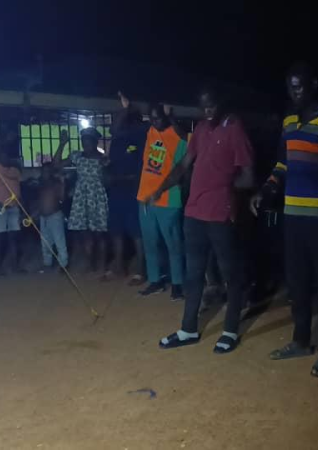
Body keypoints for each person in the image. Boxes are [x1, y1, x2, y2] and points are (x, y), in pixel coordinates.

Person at [250, 62, 318, 377]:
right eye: (290, 87)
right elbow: (282, 165)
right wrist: (266, 189)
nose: (294, 92)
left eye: (299, 86)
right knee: (296, 282)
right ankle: (300, 341)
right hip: (293, 214)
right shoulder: (290, 121)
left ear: (314, 85)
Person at [154, 86, 254, 354]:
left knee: (230, 274)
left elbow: (248, 176)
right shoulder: (200, 129)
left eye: (211, 105)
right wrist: (162, 187)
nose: (207, 110)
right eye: (203, 106)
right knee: (194, 273)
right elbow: (184, 164)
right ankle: (188, 329)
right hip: (194, 212)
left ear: (221, 102)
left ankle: (230, 330)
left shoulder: (234, 129)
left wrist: (224, 187)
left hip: (219, 213)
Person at [135, 102, 188, 300]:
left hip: (169, 198)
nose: (155, 122)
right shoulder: (151, 131)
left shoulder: (178, 135)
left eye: (158, 118)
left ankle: (177, 284)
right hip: (145, 197)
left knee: (174, 245)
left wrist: (171, 116)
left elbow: (186, 137)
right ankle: (155, 280)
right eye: (152, 118)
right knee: (150, 243)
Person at [103, 92, 149, 284]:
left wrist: (126, 108)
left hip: (133, 191)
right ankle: (119, 267)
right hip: (116, 191)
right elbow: (111, 163)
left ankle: (140, 271)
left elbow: (140, 170)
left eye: (121, 117)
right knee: (116, 230)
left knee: (136, 232)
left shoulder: (139, 136)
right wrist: (108, 173)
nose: (115, 123)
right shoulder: (117, 140)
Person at [54, 127, 109, 272]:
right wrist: (62, 144)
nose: (85, 144)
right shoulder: (77, 156)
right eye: (83, 141)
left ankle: (102, 265)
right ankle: (91, 264)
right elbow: (56, 164)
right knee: (85, 234)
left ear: (95, 142)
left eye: (88, 141)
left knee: (100, 234)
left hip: (97, 198)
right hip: (81, 198)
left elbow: (109, 179)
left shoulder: (103, 159)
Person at [0, 129, 25, 275]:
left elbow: (19, 187)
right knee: (0, 239)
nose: (5, 157)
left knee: (13, 238)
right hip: (1, 207)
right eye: (2, 155)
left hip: (14, 206)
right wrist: (5, 139)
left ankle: (14, 266)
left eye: (6, 155)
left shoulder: (13, 169)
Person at [36, 162, 68, 271]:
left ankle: (63, 264)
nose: (45, 173)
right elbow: (39, 201)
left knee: (59, 242)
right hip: (43, 217)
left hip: (55, 216)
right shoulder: (40, 184)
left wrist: (63, 183)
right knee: (45, 242)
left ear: (51, 172)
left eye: (47, 171)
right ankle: (47, 263)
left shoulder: (56, 183)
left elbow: (62, 199)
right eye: (43, 171)